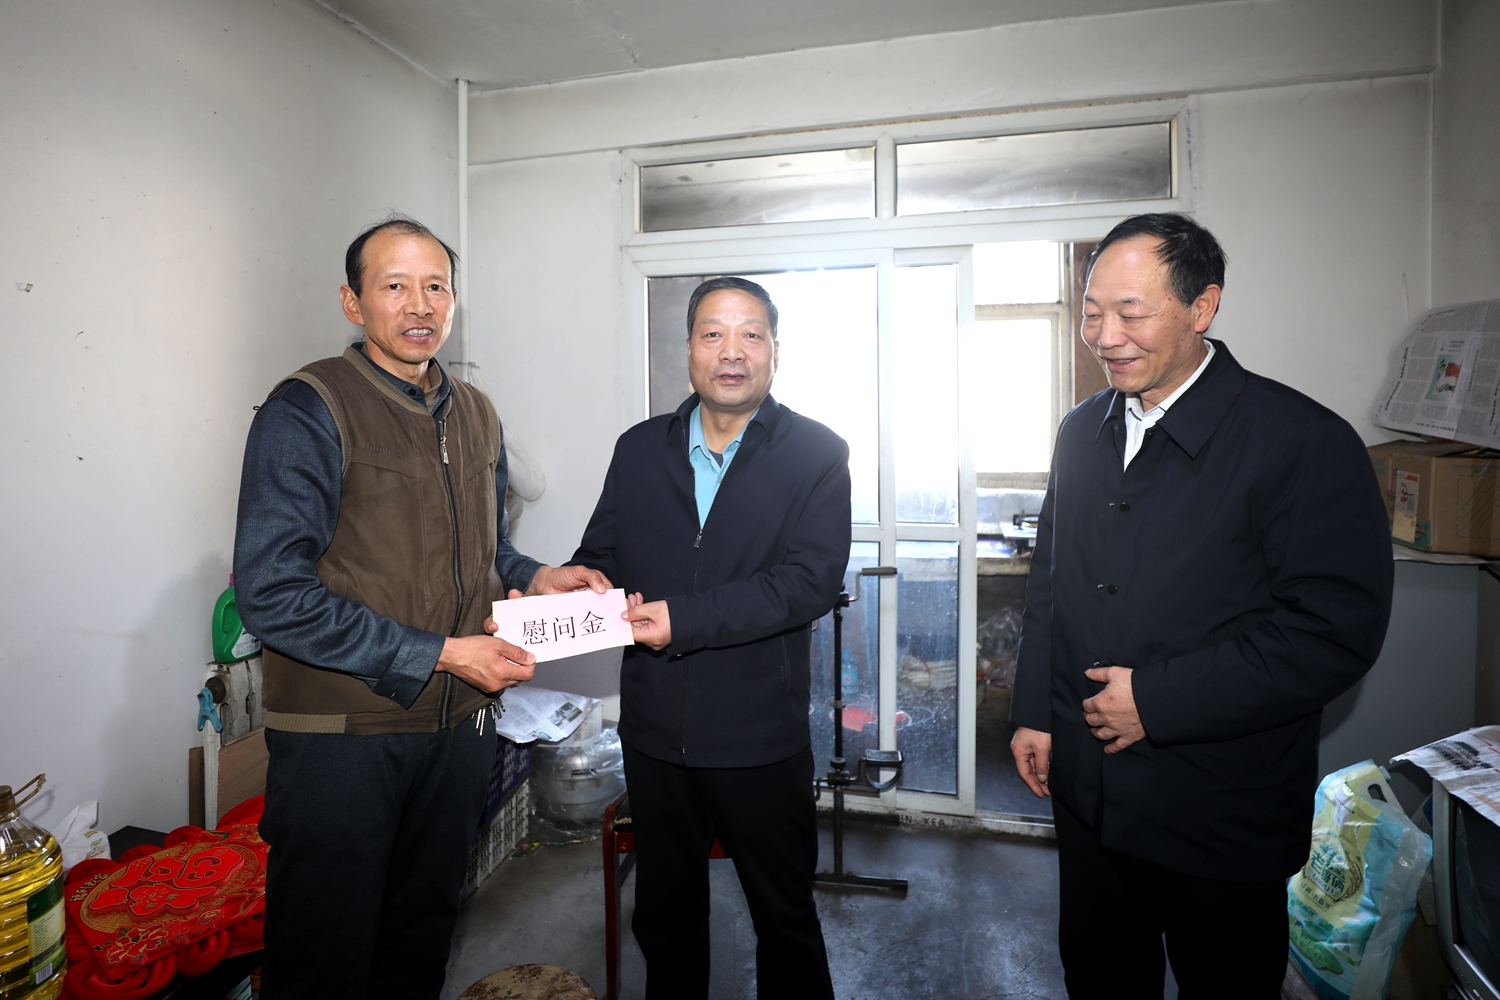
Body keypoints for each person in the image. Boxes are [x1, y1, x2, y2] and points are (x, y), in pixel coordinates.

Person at [1008, 213, 1394, 999]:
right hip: (1090, 799)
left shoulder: (1300, 441)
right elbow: (1051, 581)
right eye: (1092, 312)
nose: (1105, 336)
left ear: (1202, 307)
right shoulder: (1080, 431)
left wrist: (1156, 699)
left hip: (1219, 812)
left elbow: (1332, 632)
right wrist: (1034, 712)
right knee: (1100, 978)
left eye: (1131, 312)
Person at [233, 217, 609, 1000]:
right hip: (346, 735)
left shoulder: (477, 412)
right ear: (353, 302)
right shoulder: (309, 407)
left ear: (454, 300)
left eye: (436, 286)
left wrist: (538, 576)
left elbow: (484, 554)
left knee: (419, 939)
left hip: (458, 728)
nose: (419, 305)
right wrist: (443, 652)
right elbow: (271, 594)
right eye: (394, 285)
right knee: (324, 957)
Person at [568, 276, 850, 999]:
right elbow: (602, 555)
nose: (732, 352)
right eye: (713, 334)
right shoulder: (639, 449)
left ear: (776, 351)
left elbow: (809, 582)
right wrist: (570, 584)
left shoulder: (816, 453)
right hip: (656, 735)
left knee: (784, 918)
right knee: (666, 918)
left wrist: (685, 619)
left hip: (759, 737)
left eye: (751, 335)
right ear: (689, 348)